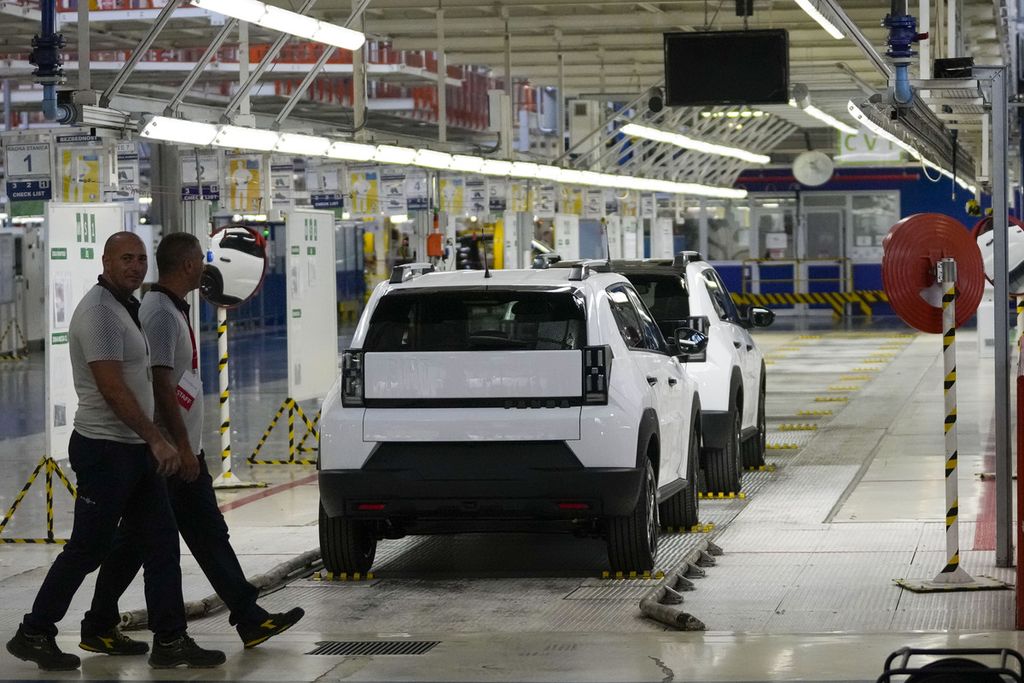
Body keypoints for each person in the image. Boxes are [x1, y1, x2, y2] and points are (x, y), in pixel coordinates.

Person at [6, 232, 225, 671]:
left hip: (133, 449)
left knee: (161, 543)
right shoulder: (101, 313)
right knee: (89, 547)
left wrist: (156, 440)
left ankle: (171, 639)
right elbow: (112, 389)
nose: (135, 266)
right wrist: (157, 438)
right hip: (105, 450)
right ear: (105, 260)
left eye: (141, 259)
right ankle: (34, 630)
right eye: (126, 258)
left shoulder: (127, 307)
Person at [82, 232, 304, 650]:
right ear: (187, 266)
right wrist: (180, 448)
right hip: (169, 454)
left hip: (180, 451)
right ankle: (109, 626)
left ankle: (248, 616)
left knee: (200, 533)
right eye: (201, 261)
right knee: (143, 542)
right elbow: (162, 386)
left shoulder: (168, 308)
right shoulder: (161, 313)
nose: (205, 268)